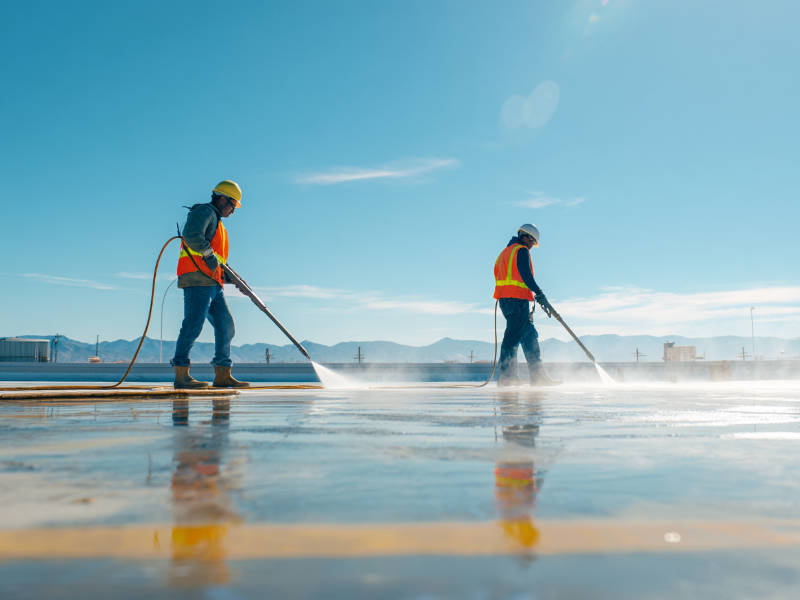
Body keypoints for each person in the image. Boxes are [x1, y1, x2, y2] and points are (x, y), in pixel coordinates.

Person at [171, 180, 249, 389]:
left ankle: (222, 374)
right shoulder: (205, 212)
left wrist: (234, 279)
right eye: (233, 206)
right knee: (193, 324)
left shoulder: (218, 223)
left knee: (226, 325)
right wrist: (208, 255)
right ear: (223, 199)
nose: (233, 212)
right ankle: (181, 374)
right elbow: (191, 235)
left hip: (213, 283)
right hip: (197, 279)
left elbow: (218, 261)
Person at [492, 224, 557, 386]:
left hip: (506, 301)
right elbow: (525, 275)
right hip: (517, 300)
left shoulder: (504, 253)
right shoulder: (521, 251)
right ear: (526, 237)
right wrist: (539, 292)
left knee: (529, 337)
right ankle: (507, 377)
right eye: (533, 243)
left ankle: (538, 376)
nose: (532, 246)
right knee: (512, 337)